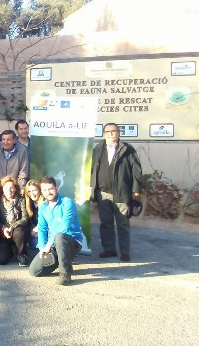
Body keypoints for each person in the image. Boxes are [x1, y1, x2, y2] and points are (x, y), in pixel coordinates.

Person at [91, 122, 143, 262]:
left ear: (119, 133)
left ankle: (125, 252)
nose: (111, 133)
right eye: (108, 131)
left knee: (123, 224)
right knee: (106, 223)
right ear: (104, 134)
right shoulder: (98, 149)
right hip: (102, 193)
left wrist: (136, 190)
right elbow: (92, 170)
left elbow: (137, 171)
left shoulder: (128, 149)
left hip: (121, 193)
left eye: (114, 131)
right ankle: (109, 250)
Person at [29, 176, 84, 285]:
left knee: (59, 236)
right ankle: (64, 262)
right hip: (54, 245)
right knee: (34, 270)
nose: (48, 192)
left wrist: (49, 244)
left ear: (56, 188)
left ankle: (65, 273)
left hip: (71, 242)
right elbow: (42, 229)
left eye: (50, 189)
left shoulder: (67, 203)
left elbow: (64, 227)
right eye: (44, 190)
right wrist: (42, 248)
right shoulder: (43, 207)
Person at [0, 175, 30, 266]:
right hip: (3, 231)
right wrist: (4, 228)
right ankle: (10, 250)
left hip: (16, 229)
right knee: (1, 260)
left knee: (19, 232)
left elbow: (25, 218)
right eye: (6, 188)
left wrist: (13, 226)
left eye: (11, 187)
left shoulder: (21, 200)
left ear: (15, 189)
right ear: (2, 189)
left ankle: (21, 254)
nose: (9, 190)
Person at [24, 180, 44, 248]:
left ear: (39, 190)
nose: (32, 193)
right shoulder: (27, 204)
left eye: (34, 190)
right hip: (34, 232)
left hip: (45, 230)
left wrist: (39, 228)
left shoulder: (45, 203)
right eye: (29, 191)